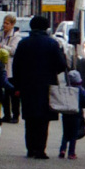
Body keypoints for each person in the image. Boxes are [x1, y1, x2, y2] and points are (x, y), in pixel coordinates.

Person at [11, 15, 67, 159]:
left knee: (30, 119)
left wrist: (17, 86)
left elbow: (16, 66)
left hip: (27, 86)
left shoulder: (24, 43)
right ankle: (40, 149)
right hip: (46, 86)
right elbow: (61, 65)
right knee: (43, 120)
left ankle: (30, 149)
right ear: (46, 27)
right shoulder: (52, 44)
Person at [0, 13, 24, 123]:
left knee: (13, 93)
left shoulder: (16, 36)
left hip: (11, 68)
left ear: (12, 25)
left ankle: (15, 115)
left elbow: (13, 51)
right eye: (4, 23)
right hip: (1, 67)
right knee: (4, 94)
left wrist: (1, 46)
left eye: (7, 23)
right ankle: (6, 114)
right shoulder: (0, 34)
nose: (4, 25)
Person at [58, 69, 85, 160]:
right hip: (76, 114)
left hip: (66, 114)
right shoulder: (80, 90)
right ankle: (71, 152)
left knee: (65, 133)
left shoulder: (66, 90)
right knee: (73, 135)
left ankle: (62, 150)